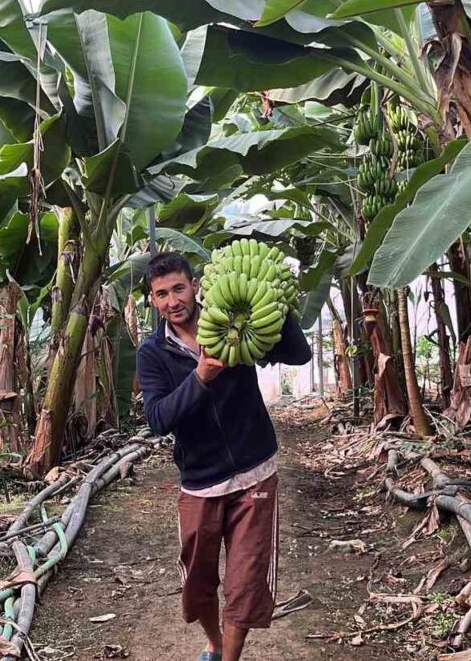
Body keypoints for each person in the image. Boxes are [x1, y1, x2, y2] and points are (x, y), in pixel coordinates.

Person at [136, 251, 312, 661]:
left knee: (245, 581)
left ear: (195, 286)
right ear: (153, 299)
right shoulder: (152, 353)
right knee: (197, 581)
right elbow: (158, 419)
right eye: (162, 294)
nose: (172, 301)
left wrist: (276, 305)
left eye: (179, 289)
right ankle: (214, 643)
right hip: (200, 480)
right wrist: (200, 376)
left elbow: (299, 355)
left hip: (255, 470)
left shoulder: (233, 320)